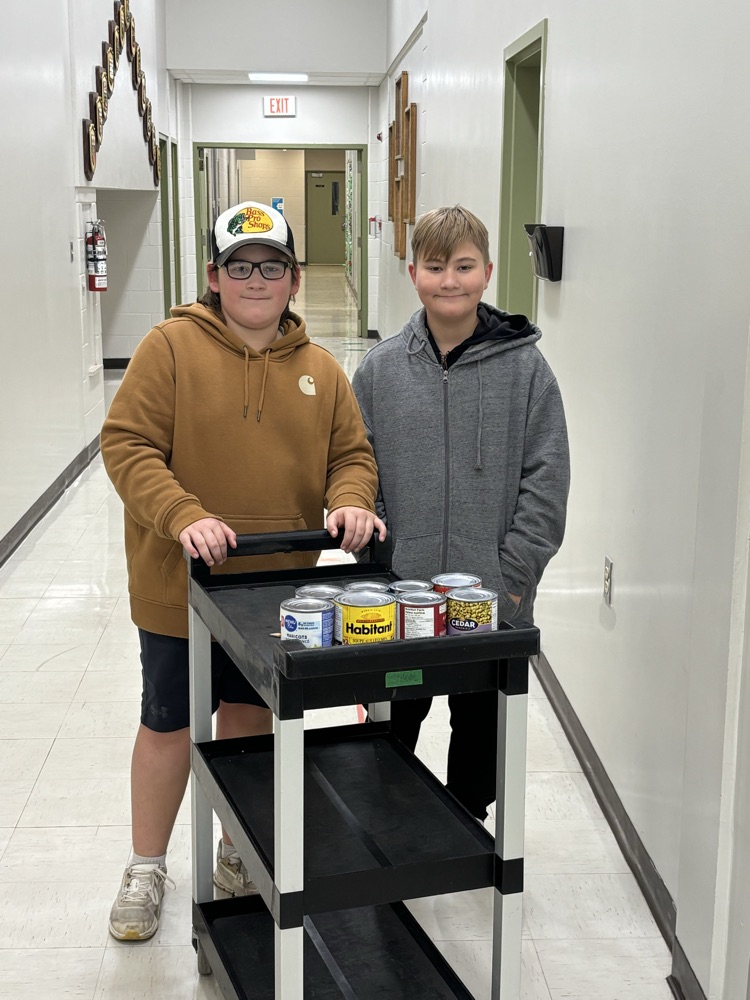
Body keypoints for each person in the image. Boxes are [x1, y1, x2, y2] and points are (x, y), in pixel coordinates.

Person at [101, 200, 384, 941]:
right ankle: (145, 866)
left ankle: (235, 851)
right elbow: (127, 446)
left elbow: (351, 458)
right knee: (167, 725)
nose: (255, 279)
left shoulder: (323, 371)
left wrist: (351, 502)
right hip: (178, 589)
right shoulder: (169, 349)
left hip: (273, 596)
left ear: (294, 280)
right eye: (239, 265)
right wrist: (184, 514)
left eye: (271, 267)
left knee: (250, 724)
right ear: (213, 276)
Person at [352, 204, 569, 822]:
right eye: (436, 266)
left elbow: (546, 481)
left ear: (489, 271)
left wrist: (514, 577)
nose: (451, 280)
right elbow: (354, 465)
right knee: (389, 737)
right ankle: (391, 841)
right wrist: (379, 556)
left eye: (465, 266)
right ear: (414, 272)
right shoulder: (380, 370)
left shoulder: (526, 370)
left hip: (489, 600)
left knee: (480, 742)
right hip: (399, 600)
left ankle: (463, 832)